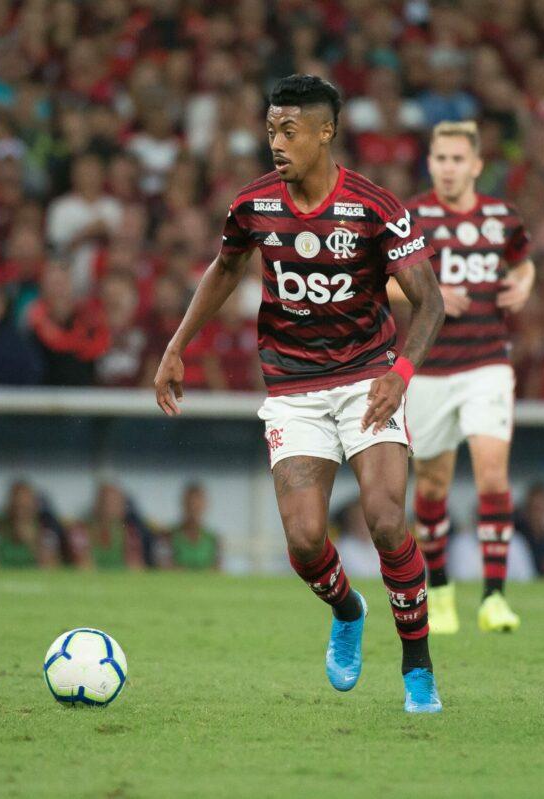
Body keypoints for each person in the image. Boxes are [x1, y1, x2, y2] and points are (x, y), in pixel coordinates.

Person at [152, 75, 447, 713]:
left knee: (387, 518)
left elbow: (431, 303)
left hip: (369, 378)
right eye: (270, 130)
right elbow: (226, 267)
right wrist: (178, 345)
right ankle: (347, 610)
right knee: (306, 539)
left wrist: (401, 373)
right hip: (292, 388)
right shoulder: (253, 205)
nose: (276, 143)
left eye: (289, 131)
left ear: (325, 132)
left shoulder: (374, 207)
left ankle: (417, 668)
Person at [391, 121, 535, 634]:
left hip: (488, 363)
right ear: (430, 163)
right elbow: (379, 280)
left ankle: (494, 597)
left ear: (476, 165)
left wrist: (522, 286)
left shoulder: (501, 217)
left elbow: (523, 263)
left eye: (457, 159)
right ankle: (443, 589)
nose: (448, 168)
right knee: (432, 484)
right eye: (440, 158)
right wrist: (428, 296)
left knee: (493, 473)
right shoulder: (411, 216)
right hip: (429, 366)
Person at [169, 483, 221, 570]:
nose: (194, 508)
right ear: (184, 504)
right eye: (190, 504)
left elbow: (217, 570)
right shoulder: (171, 537)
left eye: (197, 505)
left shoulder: (212, 538)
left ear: (204, 505)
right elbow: (166, 568)